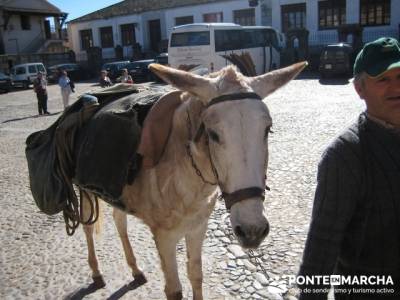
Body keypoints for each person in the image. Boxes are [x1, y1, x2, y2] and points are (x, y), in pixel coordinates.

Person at [298, 37, 400, 300]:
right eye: (383, 80)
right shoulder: (344, 156)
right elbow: (321, 246)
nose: (396, 87)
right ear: (359, 89)